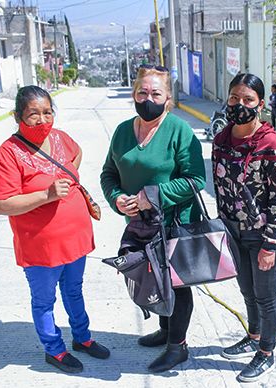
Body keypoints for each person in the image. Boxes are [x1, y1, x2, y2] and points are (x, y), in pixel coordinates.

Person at [0, 85, 110, 374]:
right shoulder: (8, 154)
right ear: (18, 116)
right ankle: (54, 350)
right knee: (44, 301)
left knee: (74, 290)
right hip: (40, 246)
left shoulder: (61, 139)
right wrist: (46, 195)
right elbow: (1, 204)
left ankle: (82, 338)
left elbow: (75, 157)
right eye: (33, 115)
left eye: (47, 113)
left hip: (75, 239)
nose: (42, 120)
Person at [100, 65, 206, 373]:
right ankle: (164, 330)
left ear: (168, 99)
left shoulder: (179, 131)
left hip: (175, 223)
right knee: (150, 278)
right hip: (139, 225)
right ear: (134, 94)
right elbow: (109, 174)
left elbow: (195, 179)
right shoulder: (122, 132)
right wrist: (117, 198)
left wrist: (154, 195)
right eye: (142, 92)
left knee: (176, 284)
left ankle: (178, 347)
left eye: (156, 93)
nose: (149, 98)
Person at [212, 74, 276, 383]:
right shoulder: (221, 140)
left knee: (265, 296)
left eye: (247, 100)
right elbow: (219, 187)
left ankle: (266, 352)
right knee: (246, 290)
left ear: (260, 104)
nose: (239, 105)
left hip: (262, 236)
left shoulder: (271, 144)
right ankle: (254, 335)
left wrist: (271, 245)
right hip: (234, 231)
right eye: (234, 98)